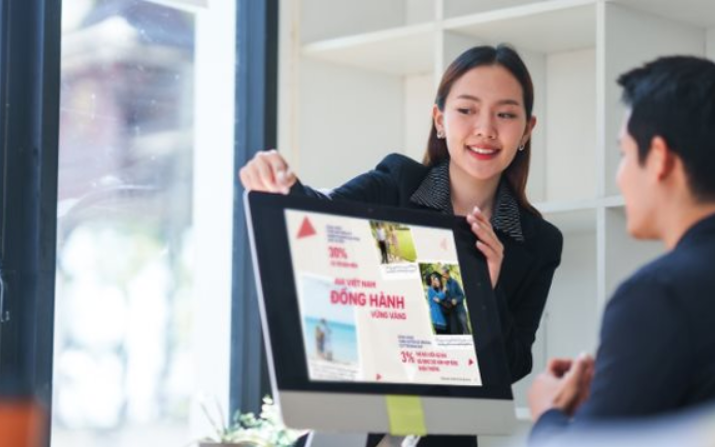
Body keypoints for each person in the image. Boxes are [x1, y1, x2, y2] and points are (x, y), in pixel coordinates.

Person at [241, 44, 563, 447]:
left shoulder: (538, 242)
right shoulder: (397, 185)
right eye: (467, 109)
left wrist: (485, 292)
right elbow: (323, 216)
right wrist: (280, 183)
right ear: (440, 120)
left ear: (527, 130)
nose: (485, 128)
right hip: (347, 426)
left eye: (506, 114)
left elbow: (512, 366)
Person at [526, 56, 715, 445]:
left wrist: (548, 414)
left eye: (624, 154)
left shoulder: (655, 296)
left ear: (660, 158)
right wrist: (616, 391)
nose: (620, 176)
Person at [441, 265, 469, 335]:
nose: (443, 276)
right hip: (453, 313)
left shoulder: (455, 282)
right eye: (442, 274)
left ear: (447, 273)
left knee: (465, 329)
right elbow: (447, 299)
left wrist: (456, 300)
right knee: (459, 332)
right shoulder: (445, 286)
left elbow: (462, 295)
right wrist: (444, 292)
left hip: (460, 310)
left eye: (443, 274)